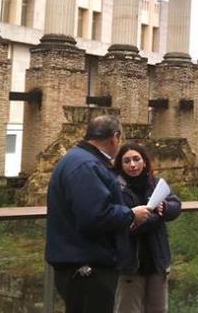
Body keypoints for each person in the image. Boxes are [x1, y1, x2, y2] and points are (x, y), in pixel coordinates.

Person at [46, 115, 151, 313]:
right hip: (87, 269)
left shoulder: (76, 159)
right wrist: (130, 214)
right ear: (115, 137)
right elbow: (94, 217)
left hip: (79, 265)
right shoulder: (87, 166)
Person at [114, 144, 182, 313]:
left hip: (156, 262)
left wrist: (165, 207)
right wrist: (157, 216)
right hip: (130, 265)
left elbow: (176, 205)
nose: (132, 165)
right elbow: (130, 226)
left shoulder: (155, 183)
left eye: (136, 159)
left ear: (144, 161)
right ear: (120, 165)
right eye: (127, 161)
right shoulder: (116, 189)